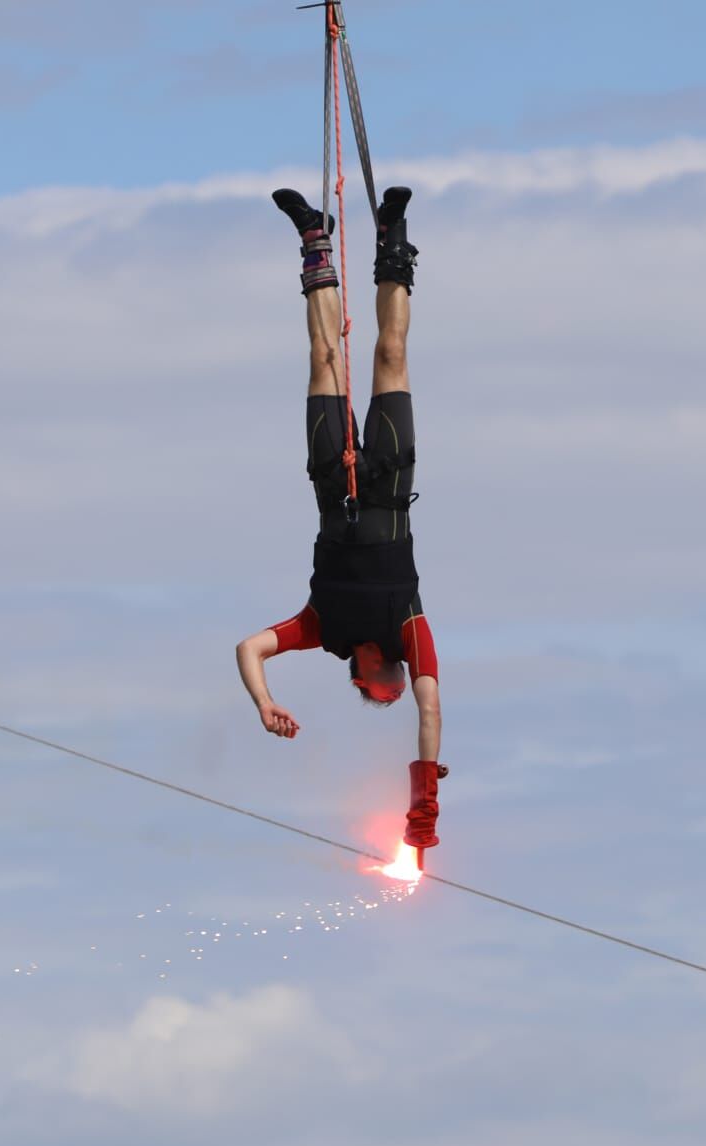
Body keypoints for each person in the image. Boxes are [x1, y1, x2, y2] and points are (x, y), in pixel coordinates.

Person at [235, 184, 446, 857]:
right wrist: (425, 801)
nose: (390, 685)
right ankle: (393, 243)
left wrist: (263, 702)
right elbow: (432, 707)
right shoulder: (407, 628)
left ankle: (314, 239)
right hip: (389, 482)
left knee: (324, 359)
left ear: (359, 677)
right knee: (390, 356)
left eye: (378, 691)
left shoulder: (324, 632)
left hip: (333, 482)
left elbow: (249, 648)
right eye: (393, 689)